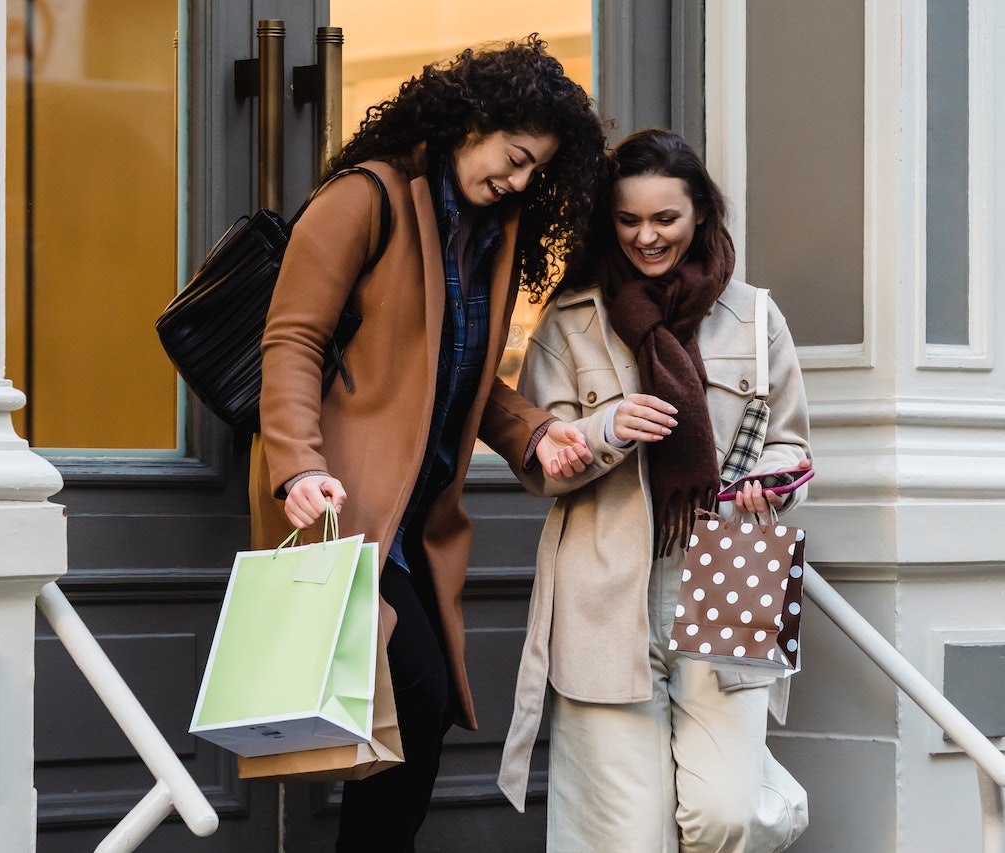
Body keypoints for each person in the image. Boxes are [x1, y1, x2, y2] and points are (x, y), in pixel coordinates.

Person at [249, 35, 606, 852]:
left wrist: (534, 433)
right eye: (513, 157)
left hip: (419, 512)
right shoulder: (365, 198)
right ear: (468, 121)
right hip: (342, 498)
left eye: (534, 170)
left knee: (422, 707)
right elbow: (292, 339)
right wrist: (296, 466)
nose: (518, 181)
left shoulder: (492, 234)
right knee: (410, 687)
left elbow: (463, 375)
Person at [497, 129, 813, 852]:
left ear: (700, 212)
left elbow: (791, 440)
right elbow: (537, 464)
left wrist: (774, 476)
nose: (645, 236)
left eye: (664, 219)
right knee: (623, 837)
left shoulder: (754, 317)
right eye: (627, 219)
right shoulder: (570, 321)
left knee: (728, 815)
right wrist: (604, 427)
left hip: (732, 571)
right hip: (603, 584)